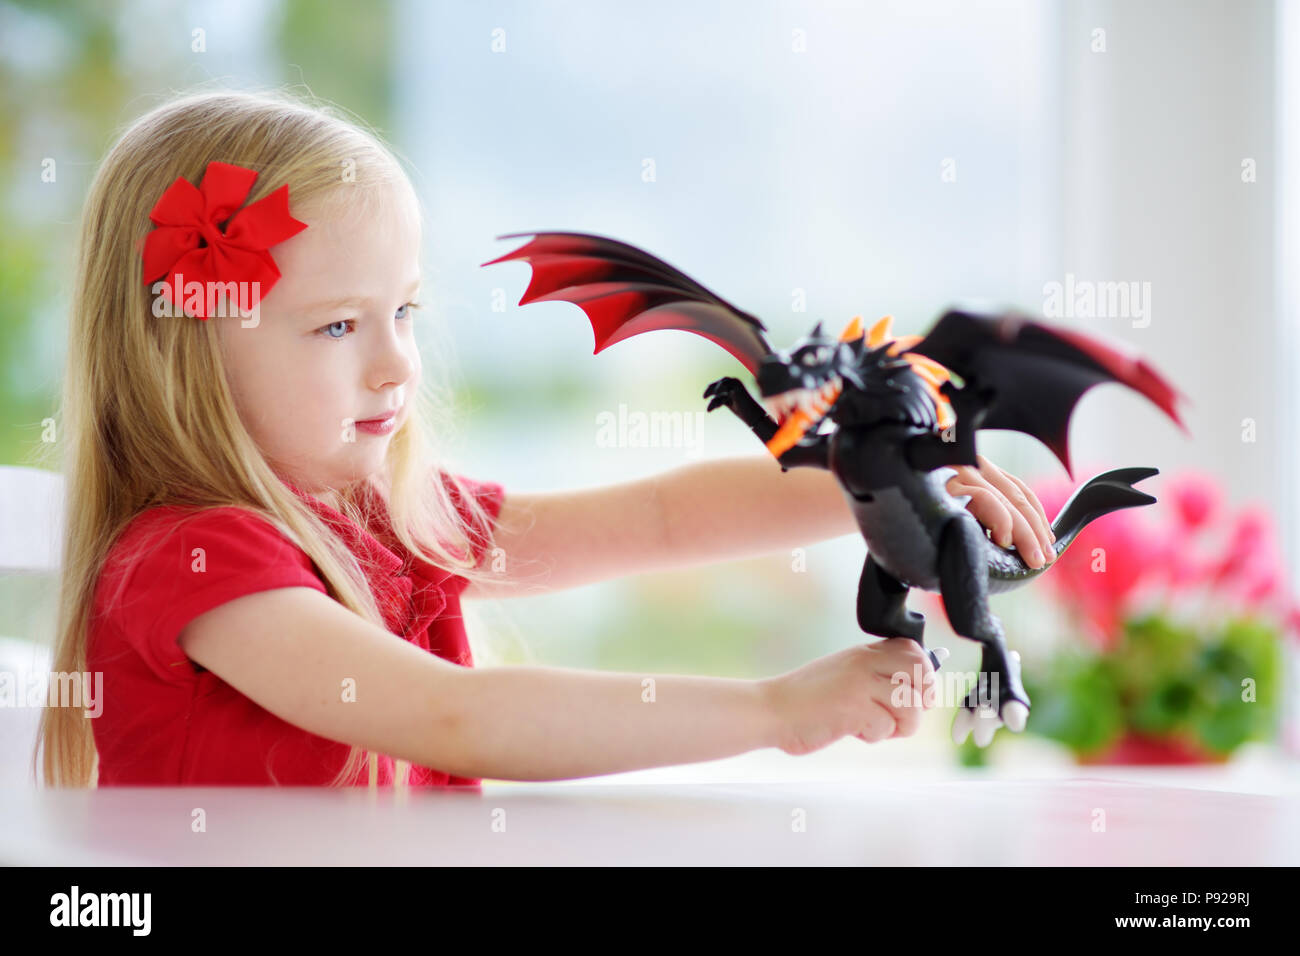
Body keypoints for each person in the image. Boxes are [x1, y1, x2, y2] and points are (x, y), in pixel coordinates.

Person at [34, 88, 1056, 789]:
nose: (396, 365)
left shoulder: (382, 520)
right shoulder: (192, 561)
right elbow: (457, 717)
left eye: (407, 312)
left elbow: (656, 518)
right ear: (185, 349)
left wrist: (883, 478)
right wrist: (775, 711)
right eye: (338, 325)